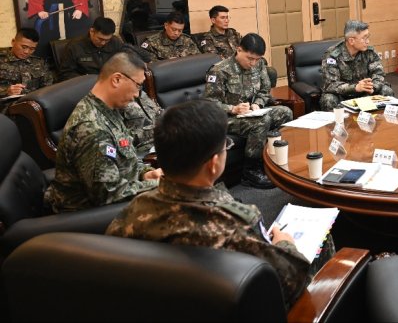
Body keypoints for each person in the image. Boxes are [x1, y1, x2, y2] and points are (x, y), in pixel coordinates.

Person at [106, 99, 310, 309]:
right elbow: (292, 282)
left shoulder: (134, 209)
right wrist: (286, 244)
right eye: (226, 147)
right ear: (214, 164)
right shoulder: (235, 221)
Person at [44, 51, 163, 213]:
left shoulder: (108, 108)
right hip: (89, 216)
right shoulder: (92, 128)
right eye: (138, 85)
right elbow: (108, 194)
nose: (137, 94)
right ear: (116, 79)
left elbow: (124, 158)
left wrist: (146, 174)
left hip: (117, 198)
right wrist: (160, 184)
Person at [204, 33, 293, 189]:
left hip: (252, 113)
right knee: (261, 122)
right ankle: (251, 170)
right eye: (250, 59)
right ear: (238, 50)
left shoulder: (259, 65)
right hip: (226, 119)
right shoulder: (219, 71)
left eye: (257, 59)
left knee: (285, 112)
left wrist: (258, 104)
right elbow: (209, 104)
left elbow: (265, 90)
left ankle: (273, 159)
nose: (253, 63)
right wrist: (232, 108)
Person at [320, 20, 395, 111]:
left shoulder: (369, 52)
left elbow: (379, 73)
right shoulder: (332, 55)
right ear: (351, 41)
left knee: (386, 90)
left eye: (368, 37)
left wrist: (373, 87)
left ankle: (383, 122)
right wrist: (355, 88)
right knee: (328, 99)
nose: (368, 41)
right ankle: (339, 124)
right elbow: (331, 84)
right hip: (342, 96)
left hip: (365, 93)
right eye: (364, 38)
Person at [0, 28, 54, 113]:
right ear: (13, 42)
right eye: (24, 47)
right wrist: (6, 91)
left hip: (35, 105)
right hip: (6, 107)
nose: (27, 52)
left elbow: (49, 87)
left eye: (32, 49)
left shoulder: (39, 63)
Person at [57, 16, 125, 81]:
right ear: (92, 31)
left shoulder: (115, 42)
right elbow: (65, 73)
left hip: (109, 81)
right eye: (100, 39)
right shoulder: (74, 46)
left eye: (107, 40)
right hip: (86, 85)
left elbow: (125, 61)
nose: (103, 43)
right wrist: (85, 80)